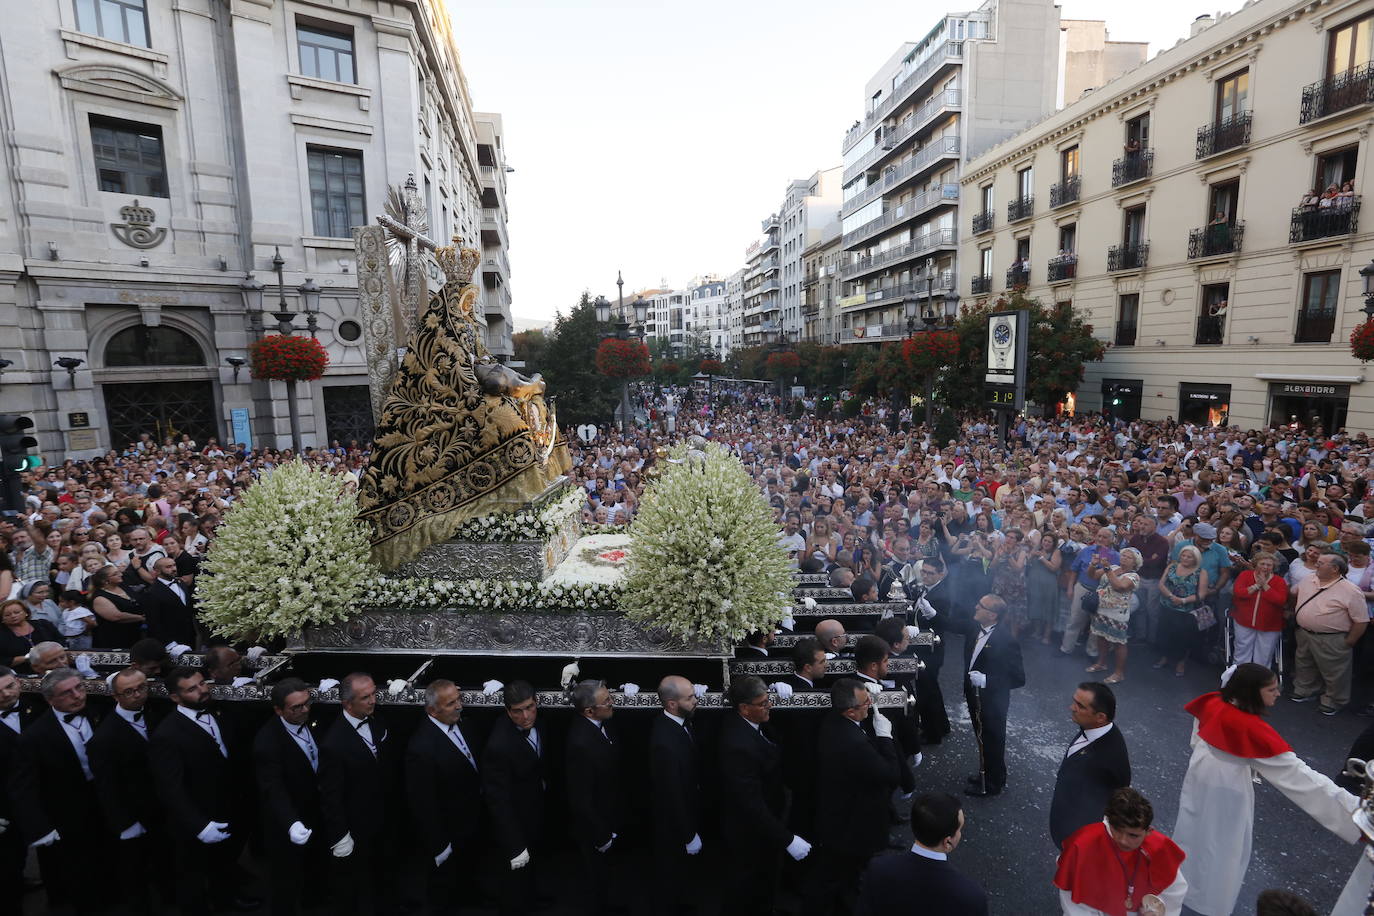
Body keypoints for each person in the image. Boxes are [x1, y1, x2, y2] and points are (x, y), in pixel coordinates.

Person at [1173, 663, 1361, 916]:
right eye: (1271, 689)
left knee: (1192, 831)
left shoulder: (1215, 701)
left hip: (1200, 774)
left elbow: (1198, 732)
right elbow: (1303, 780)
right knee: (1222, 848)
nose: (1278, 693)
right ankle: (1208, 905)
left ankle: (1182, 885)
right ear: (1252, 691)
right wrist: (1357, 813)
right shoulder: (1251, 729)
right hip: (1227, 788)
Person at [152, 665, 258, 915]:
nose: (202, 691)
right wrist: (199, 825)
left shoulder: (217, 712)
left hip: (226, 806)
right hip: (196, 819)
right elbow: (171, 788)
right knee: (193, 875)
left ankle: (227, 900)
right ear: (175, 698)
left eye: (202, 684)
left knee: (224, 863)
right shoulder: (166, 735)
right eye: (192, 689)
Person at [7, 667, 109, 915]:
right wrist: (39, 828)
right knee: (80, 868)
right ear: (50, 699)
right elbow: (25, 787)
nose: (77, 696)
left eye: (79, 687)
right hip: (68, 811)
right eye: (67, 693)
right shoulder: (34, 737)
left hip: (106, 800)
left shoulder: (100, 712)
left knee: (109, 857)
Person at [804, 677, 902, 916]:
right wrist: (886, 738)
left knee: (834, 877)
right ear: (850, 712)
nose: (870, 704)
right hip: (853, 826)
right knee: (844, 879)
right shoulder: (854, 743)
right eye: (865, 703)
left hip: (836, 815)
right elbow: (890, 775)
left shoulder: (832, 721)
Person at [718, 675, 810, 916]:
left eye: (768, 700)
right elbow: (750, 803)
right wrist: (787, 839)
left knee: (765, 877)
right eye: (763, 703)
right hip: (749, 830)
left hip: (766, 820)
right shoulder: (737, 745)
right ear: (744, 708)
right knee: (747, 883)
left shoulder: (752, 724)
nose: (769, 706)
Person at [88, 666, 164, 913]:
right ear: (115, 697)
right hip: (133, 814)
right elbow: (107, 787)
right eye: (129, 691)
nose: (137, 695)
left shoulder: (155, 714)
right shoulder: (104, 738)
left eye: (141, 688)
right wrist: (124, 823)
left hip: (162, 808)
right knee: (134, 872)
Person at [318, 672, 395, 916]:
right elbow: (331, 795)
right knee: (355, 886)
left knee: (383, 875)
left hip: (383, 818)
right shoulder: (333, 743)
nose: (373, 700)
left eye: (374, 693)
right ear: (347, 704)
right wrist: (341, 835)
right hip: (356, 825)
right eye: (366, 697)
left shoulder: (378, 721)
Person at [406, 678, 482, 916]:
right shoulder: (421, 748)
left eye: (458, 699)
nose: (459, 706)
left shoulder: (465, 725)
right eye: (451, 704)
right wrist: (439, 844)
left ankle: (469, 897)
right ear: (432, 710)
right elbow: (423, 802)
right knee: (443, 885)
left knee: (467, 870)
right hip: (446, 828)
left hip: (469, 819)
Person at [1054, 787, 1187, 916]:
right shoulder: (1082, 846)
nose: (1123, 840)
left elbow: (1173, 892)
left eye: (1133, 835)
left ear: (1148, 832)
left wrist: (1155, 908)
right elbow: (1074, 902)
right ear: (1109, 822)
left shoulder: (1159, 850)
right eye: (1117, 830)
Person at [254, 677, 322, 916]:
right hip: (287, 819)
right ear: (278, 710)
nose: (305, 710)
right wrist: (291, 823)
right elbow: (273, 788)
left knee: (315, 866)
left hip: (315, 809)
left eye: (307, 703)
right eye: (296, 707)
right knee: (286, 878)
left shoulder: (313, 719)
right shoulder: (267, 742)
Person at [856, 792, 988, 916]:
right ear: (947, 842)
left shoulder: (878, 869)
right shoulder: (971, 896)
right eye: (959, 830)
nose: (960, 834)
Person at [482, 679, 549, 916]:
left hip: (535, 813)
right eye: (518, 711)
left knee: (530, 878)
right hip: (515, 823)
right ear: (508, 711)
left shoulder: (541, 724)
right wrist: (514, 845)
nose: (526, 716)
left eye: (530, 707)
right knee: (514, 885)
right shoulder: (498, 746)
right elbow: (498, 800)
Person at [565, 678, 626, 915]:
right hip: (594, 826)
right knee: (595, 876)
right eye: (607, 701)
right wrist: (601, 834)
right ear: (589, 711)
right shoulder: (580, 743)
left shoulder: (603, 723)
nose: (612, 704)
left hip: (609, 814)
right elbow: (581, 798)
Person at [1050, 682, 1131, 850]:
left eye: (1080, 706)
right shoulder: (1093, 728)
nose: (1071, 708)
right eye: (1074, 701)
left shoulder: (1109, 757)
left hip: (1078, 839)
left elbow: (1113, 802)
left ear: (1100, 717)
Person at [649, 675, 703, 916]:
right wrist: (688, 834)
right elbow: (671, 792)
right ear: (672, 704)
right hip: (672, 824)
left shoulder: (681, 721)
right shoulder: (664, 741)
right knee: (669, 875)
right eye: (690, 697)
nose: (696, 700)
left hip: (684, 814)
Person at [962, 594, 1025, 797]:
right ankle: (991, 772)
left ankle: (992, 783)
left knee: (993, 740)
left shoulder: (1006, 641)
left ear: (992, 615)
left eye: (980, 606)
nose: (975, 607)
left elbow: (1018, 678)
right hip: (975, 695)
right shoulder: (975, 628)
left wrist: (987, 680)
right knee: (982, 737)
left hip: (992, 701)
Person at [1289, 553, 1368, 715]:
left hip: (1332, 639)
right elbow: (1293, 593)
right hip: (1304, 633)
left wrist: (1349, 642)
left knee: (1335, 672)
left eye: (1320, 563)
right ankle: (1305, 689)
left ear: (1335, 569)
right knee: (1304, 664)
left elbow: (1361, 621)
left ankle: (1334, 700)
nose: (1316, 565)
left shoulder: (1351, 590)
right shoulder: (1308, 579)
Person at [1086, 547, 1142, 684]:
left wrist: (1107, 569)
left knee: (1118, 643)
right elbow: (1092, 576)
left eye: (1129, 557)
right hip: (1102, 609)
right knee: (1101, 637)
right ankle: (1101, 663)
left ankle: (1119, 673)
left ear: (1135, 563)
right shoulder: (1114, 567)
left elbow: (1119, 586)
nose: (1124, 558)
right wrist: (1093, 564)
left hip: (1117, 614)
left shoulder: (1134, 576)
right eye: (1123, 555)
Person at [1154, 545, 1208, 677]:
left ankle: (1181, 662)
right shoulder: (1172, 566)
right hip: (1167, 605)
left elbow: (1202, 594)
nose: (1185, 558)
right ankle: (1164, 657)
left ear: (1195, 559)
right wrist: (1171, 597)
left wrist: (1183, 600)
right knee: (1164, 633)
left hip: (1186, 610)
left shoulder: (1201, 572)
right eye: (1183, 555)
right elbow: (1161, 583)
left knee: (1183, 637)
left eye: (1189, 556)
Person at [1230, 554, 1287, 668]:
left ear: (1273, 567)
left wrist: (1265, 586)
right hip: (1244, 621)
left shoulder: (1279, 581)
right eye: (1262, 564)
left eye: (1269, 565)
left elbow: (1280, 600)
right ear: (1256, 564)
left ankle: (1259, 681)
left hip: (1270, 624)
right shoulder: (1245, 575)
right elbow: (1239, 593)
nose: (1265, 567)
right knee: (1242, 651)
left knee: (1264, 655)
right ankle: (1239, 677)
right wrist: (1256, 586)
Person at [142, 554, 197, 649]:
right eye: (168, 567)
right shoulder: (151, 592)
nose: (174, 569)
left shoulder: (181, 583)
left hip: (189, 637)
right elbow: (153, 622)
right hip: (170, 642)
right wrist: (170, 644)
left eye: (174, 565)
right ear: (157, 571)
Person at [0, 597, 61, 670]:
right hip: (22, 673)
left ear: (26, 612)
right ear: (2, 619)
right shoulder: (2, 634)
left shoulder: (43, 625)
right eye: (7, 615)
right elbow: (2, 661)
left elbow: (61, 642)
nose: (13, 616)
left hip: (56, 667)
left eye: (17, 612)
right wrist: (27, 657)